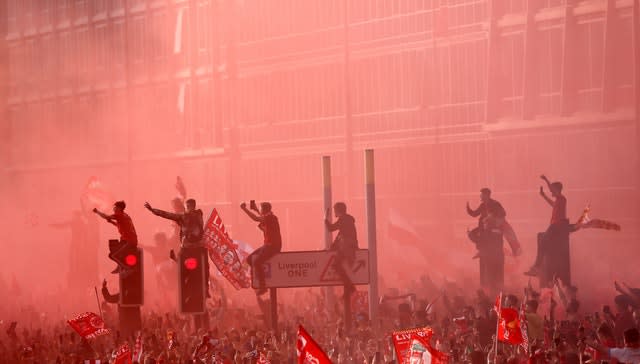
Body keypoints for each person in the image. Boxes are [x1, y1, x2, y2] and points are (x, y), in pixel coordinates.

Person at [144, 198, 209, 296]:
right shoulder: (199, 214)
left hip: (187, 248)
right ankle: (206, 289)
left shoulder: (183, 216)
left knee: (180, 266)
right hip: (199, 248)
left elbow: (166, 214)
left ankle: (184, 287)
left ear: (187, 207)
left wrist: (152, 210)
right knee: (205, 267)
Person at [525, 175, 569, 279]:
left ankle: (537, 267)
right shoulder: (559, 201)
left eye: (552, 190)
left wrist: (546, 180)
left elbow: (552, 189)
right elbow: (552, 204)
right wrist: (543, 195)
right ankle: (537, 267)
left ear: (557, 190)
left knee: (543, 242)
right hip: (555, 226)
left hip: (556, 226)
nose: (551, 192)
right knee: (543, 244)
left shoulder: (562, 198)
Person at [241, 201, 282, 296]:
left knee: (256, 262)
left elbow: (256, 218)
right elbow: (261, 218)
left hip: (272, 246)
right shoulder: (269, 217)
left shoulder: (270, 217)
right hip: (267, 245)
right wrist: (255, 209)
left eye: (260, 208)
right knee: (250, 259)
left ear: (264, 210)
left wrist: (244, 209)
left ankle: (263, 286)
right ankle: (257, 281)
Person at [93, 200, 138, 276]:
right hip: (128, 240)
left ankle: (127, 268)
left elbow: (106, 216)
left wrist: (97, 211)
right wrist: (111, 222)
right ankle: (119, 266)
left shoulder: (119, 215)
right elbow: (119, 225)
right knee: (116, 250)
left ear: (119, 208)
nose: (114, 209)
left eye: (115, 207)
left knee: (112, 255)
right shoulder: (125, 215)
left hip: (129, 241)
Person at [324, 202, 358, 296]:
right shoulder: (347, 220)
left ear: (338, 211)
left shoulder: (343, 219)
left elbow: (331, 228)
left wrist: (325, 219)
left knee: (337, 266)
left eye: (335, 210)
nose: (334, 212)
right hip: (349, 248)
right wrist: (331, 248)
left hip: (347, 248)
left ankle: (350, 286)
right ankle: (349, 287)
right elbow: (339, 236)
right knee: (338, 266)